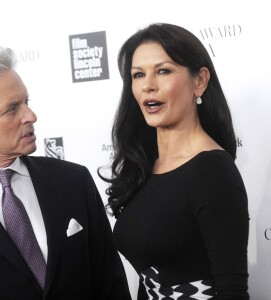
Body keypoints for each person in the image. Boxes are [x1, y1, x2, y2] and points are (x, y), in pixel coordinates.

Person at [100, 23, 250, 299]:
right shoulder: (144, 167)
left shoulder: (212, 169)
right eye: (138, 75)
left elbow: (233, 292)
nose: (148, 86)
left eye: (163, 71)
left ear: (200, 81)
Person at [0, 47, 131, 300]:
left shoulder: (73, 181)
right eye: (12, 108)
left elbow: (110, 281)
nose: (31, 115)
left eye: (27, 102)